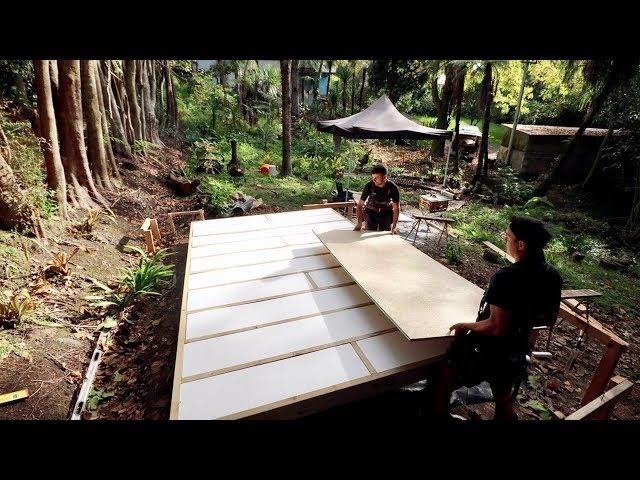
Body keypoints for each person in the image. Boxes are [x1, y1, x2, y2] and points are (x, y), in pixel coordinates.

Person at [430, 215, 563, 420]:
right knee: (503, 392)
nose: (505, 240)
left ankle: (438, 415)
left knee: (445, 371)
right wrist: (522, 325)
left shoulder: (506, 277)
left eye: (508, 237)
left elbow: (496, 327)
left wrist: (466, 325)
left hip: (488, 348)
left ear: (521, 244)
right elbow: (549, 320)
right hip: (517, 347)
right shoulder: (552, 276)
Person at [354, 164, 400, 234]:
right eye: (373, 177)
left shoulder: (393, 188)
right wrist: (359, 223)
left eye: (376, 177)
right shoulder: (369, 185)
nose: (373, 180)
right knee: (368, 232)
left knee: (384, 234)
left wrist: (394, 226)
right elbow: (360, 205)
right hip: (371, 212)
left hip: (386, 212)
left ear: (384, 177)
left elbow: (396, 208)